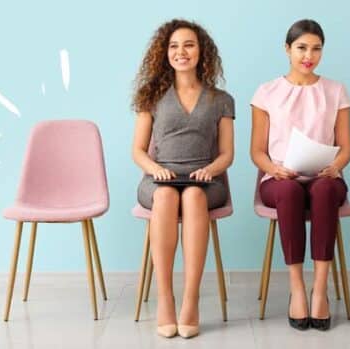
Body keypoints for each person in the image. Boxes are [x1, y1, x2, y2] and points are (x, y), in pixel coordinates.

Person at [131, 19, 234, 339]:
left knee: (192, 196)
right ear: (164, 53)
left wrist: (211, 170)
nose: (181, 52)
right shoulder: (150, 96)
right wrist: (154, 168)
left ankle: (190, 300)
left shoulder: (221, 99)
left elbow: (227, 154)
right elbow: (137, 151)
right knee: (165, 196)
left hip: (206, 179)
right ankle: (166, 299)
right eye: (174, 46)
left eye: (188, 44)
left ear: (201, 51)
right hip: (159, 177)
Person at [250, 19, 350, 331]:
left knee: (323, 191)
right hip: (280, 179)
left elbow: (346, 147)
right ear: (287, 49)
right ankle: (297, 289)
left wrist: (336, 165)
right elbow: (257, 151)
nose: (309, 55)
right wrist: (273, 169)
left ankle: (319, 289)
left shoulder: (336, 91)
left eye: (316, 48)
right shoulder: (267, 92)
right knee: (291, 192)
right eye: (302, 48)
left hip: (325, 175)